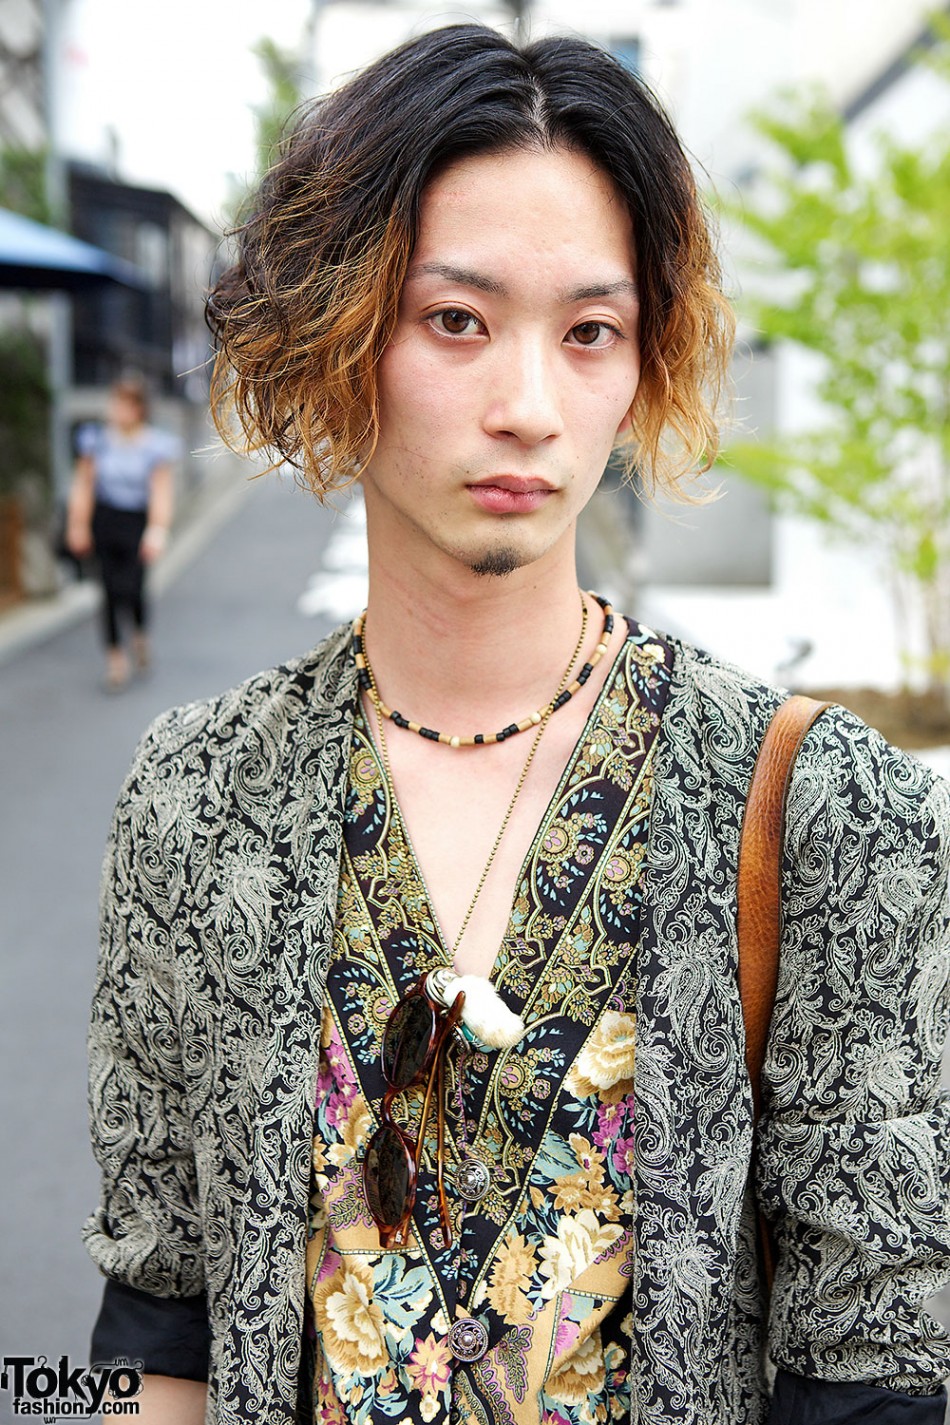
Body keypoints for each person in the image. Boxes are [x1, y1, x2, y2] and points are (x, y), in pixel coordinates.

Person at [83, 23, 950, 1425]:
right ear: (339, 328)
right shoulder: (197, 801)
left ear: (641, 362)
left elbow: (880, 1365)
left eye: (589, 332)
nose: (530, 407)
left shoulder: (819, 809)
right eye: (456, 320)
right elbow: (155, 1313)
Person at [66, 378, 176, 690]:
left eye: (124, 404)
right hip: (105, 519)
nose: (116, 410)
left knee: (133, 589)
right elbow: (83, 485)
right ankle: (116, 659)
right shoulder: (96, 441)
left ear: (138, 409)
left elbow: (161, 491)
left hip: (136, 522)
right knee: (109, 591)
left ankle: (140, 635)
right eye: (115, 403)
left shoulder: (155, 445)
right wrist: (78, 525)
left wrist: (157, 530)